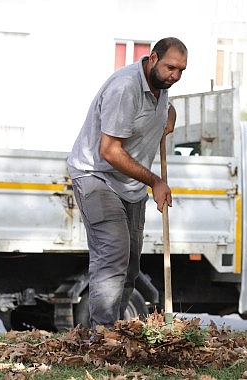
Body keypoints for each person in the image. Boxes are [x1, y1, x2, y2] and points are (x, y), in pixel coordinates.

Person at [67, 37, 187, 331]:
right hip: (96, 176)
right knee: (114, 255)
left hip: (129, 186)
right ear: (153, 58)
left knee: (131, 267)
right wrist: (156, 181)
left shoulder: (161, 88)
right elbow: (109, 151)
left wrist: (169, 114)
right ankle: (103, 336)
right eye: (171, 67)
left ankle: (115, 331)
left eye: (182, 70)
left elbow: (161, 109)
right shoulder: (125, 87)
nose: (175, 75)